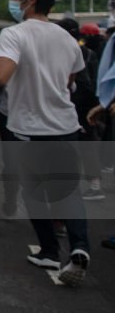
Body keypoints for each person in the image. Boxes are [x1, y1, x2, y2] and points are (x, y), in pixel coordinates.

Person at [0, 0, 89, 287]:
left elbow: (0, 76)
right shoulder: (66, 38)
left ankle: (49, 251)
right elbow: (70, 81)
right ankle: (80, 247)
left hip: (29, 128)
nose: (12, 0)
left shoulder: (14, 35)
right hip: (66, 125)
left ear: (29, 0)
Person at [56, 18, 103, 201]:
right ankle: (94, 184)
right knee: (87, 144)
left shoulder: (64, 53)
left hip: (72, 104)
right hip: (89, 104)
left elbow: (72, 82)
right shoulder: (90, 52)